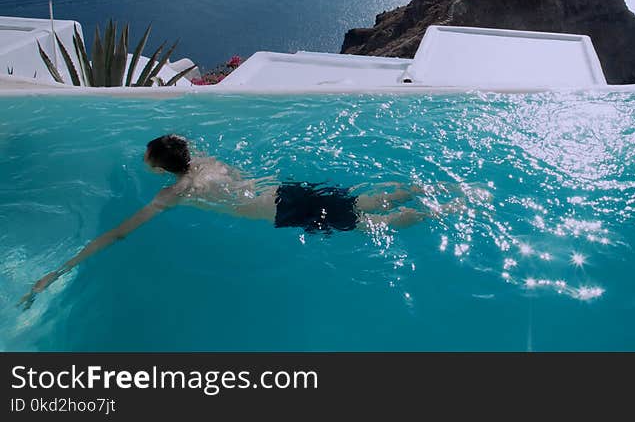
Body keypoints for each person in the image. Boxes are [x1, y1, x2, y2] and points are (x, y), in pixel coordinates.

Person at [20, 134, 439, 309]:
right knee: (359, 200)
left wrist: (57, 272)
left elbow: (118, 233)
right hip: (286, 190)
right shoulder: (208, 162)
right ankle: (421, 189)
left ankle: (438, 212)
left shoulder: (175, 192)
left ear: (158, 166)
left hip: (281, 210)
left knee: (367, 224)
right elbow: (221, 171)